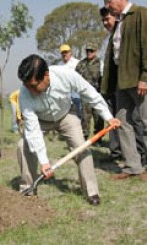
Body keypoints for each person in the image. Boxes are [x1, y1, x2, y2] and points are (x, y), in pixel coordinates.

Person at [17, 54, 120, 205]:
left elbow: (90, 94)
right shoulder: (25, 94)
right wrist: (44, 162)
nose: (31, 91)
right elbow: (32, 129)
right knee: (23, 146)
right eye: (27, 86)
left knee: (81, 147)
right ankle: (28, 189)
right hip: (41, 120)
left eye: (34, 86)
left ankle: (91, 192)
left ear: (46, 75)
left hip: (66, 115)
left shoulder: (65, 74)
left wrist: (108, 117)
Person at [102, 0, 147, 180]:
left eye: (109, 2)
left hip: (139, 81)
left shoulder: (141, 14)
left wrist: (145, 76)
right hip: (122, 82)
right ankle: (132, 167)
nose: (108, 6)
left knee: (145, 121)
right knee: (122, 123)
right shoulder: (119, 22)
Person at [75, 43, 104, 143]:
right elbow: (75, 76)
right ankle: (84, 137)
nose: (89, 52)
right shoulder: (81, 64)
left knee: (98, 117)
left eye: (91, 51)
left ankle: (98, 139)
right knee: (85, 117)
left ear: (95, 51)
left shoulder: (100, 63)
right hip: (85, 94)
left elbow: (103, 78)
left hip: (97, 94)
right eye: (87, 50)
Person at [59, 44, 82, 120]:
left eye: (66, 52)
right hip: (65, 93)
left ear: (70, 52)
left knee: (79, 112)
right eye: (63, 52)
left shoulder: (77, 63)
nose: (64, 54)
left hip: (76, 91)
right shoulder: (60, 65)